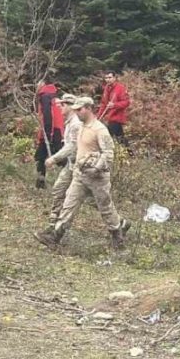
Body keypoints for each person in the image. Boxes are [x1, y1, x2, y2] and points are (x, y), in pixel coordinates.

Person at [34, 96, 130, 250]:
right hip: (80, 175)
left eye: (80, 109)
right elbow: (74, 147)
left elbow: (108, 153)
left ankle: (118, 238)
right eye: (76, 110)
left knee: (105, 208)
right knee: (68, 205)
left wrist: (97, 167)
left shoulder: (99, 129)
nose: (77, 112)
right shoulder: (82, 127)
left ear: (89, 108)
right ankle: (54, 237)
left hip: (97, 178)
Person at [43, 94, 85, 227]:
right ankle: (53, 221)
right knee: (58, 189)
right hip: (71, 165)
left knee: (96, 200)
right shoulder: (69, 122)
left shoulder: (76, 124)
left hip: (82, 167)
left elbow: (73, 146)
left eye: (63, 105)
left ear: (71, 107)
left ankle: (118, 223)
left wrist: (54, 159)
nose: (60, 107)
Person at [34, 78, 65, 189]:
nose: (36, 87)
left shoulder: (45, 96)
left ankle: (69, 182)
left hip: (51, 131)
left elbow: (48, 115)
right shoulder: (53, 95)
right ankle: (40, 184)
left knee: (59, 158)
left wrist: (47, 134)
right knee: (41, 156)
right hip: (56, 130)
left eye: (37, 85)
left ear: (42, 85)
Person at [98, 71, 131, 146]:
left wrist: (114, 105)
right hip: (109, 117)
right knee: (120, 138)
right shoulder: (106, 88)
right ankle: (129, 153)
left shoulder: (120, 88)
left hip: (117, 117)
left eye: (110, 77)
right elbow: (103, 104)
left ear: (114, 78)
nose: (108, 80)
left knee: (107, 136)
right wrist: (98, 117)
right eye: (106, 78)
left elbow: (126, 102)